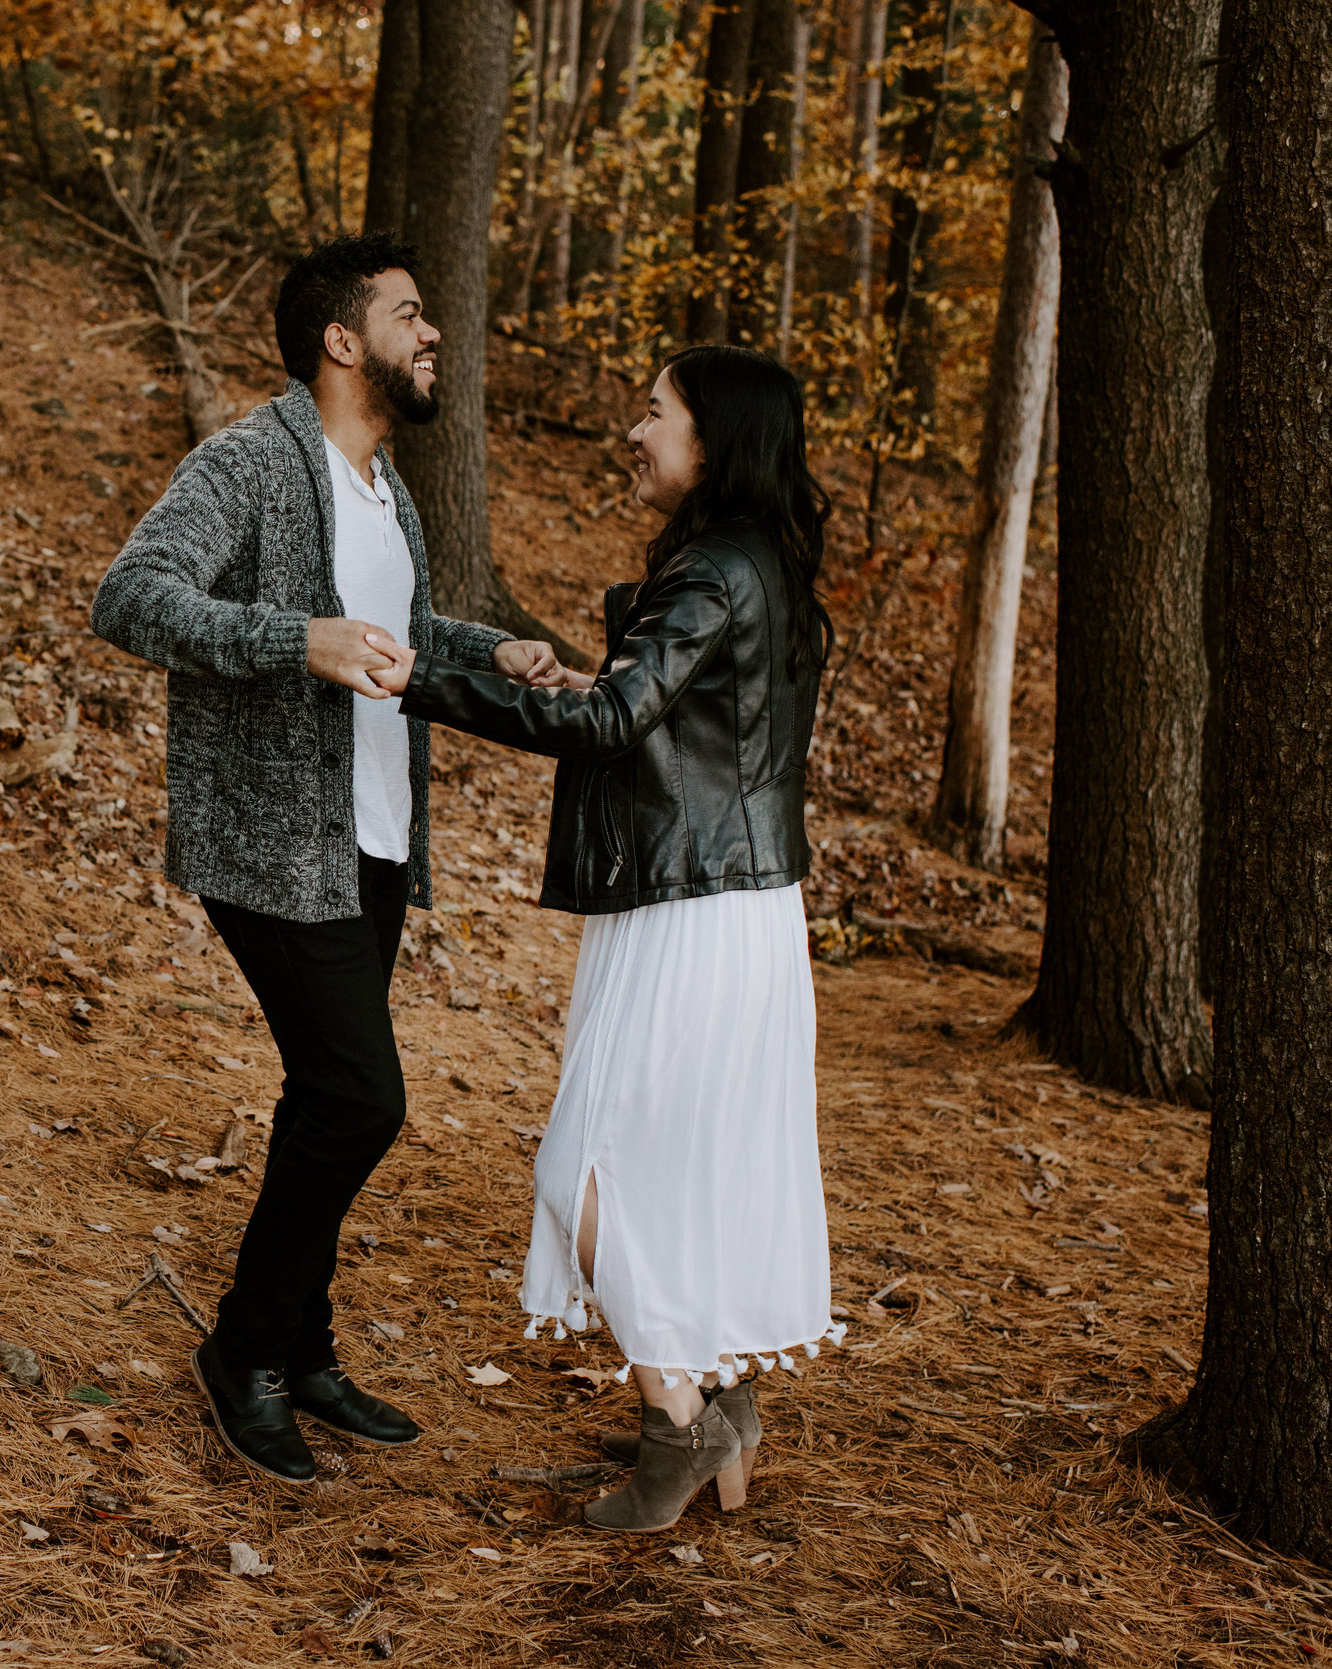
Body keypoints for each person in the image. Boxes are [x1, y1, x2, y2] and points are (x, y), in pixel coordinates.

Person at [89, 233, 550, 1485]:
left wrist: (482, 645)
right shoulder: (249, 460)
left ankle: (305, 1344)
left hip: (374, 843)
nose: (432, 332)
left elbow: (386, 634)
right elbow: (131, 596)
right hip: (272, 846)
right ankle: (243, 1351)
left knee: (320, 1097)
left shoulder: (383, 485)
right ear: (343, 341)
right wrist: (293, 641)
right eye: (410, 314)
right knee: (358, 1099)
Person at [363, 344, 843, 1532]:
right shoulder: (758, 565)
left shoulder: (712, 569)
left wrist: (424, 679)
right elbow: (682, 725)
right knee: (678, 1170)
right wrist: (587, 677)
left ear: (712, 439)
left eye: (654, 412)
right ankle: (718, 1407)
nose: (634, 431)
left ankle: (674, 1421)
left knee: (579, 1169)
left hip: (689, 914)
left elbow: (618, 724)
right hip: (739, 903)